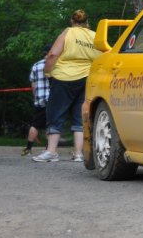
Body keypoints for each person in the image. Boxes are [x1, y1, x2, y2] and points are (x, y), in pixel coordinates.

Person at [33, 10, 100, 163]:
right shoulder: (95, 36)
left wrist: (47, 72)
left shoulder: (68, 33)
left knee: (55, 113)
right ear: (87, 21)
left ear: (72, 20)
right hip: (86, 78)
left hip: (63, 78)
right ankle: (78, 154)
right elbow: (101, 56)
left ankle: (51, 152)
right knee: (79, 115)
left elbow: (53, 54)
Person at [21, 44, 51, 156]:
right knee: (51, 125)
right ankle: (49, 149)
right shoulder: (56, 64)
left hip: (39, 99)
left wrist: (35, 97)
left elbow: (33, 85)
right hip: (52, 100)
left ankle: (28, 148)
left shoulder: (36, 65)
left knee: (35, 125)